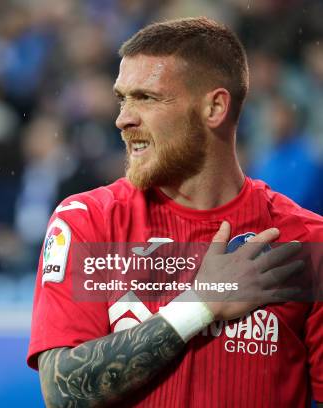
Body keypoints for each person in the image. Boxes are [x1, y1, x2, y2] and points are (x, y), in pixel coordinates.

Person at [27, 17, 323, 407]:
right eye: (122, 98)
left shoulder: (304, 242)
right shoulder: (89, 221)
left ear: (215, 107)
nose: (123, 119)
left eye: (146, 98)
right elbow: (62, 393)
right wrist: (201, 303)